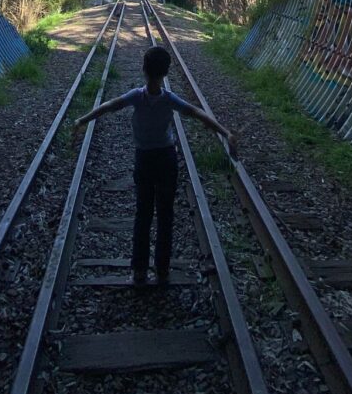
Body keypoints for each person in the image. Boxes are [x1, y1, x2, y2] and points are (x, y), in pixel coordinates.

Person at [73, 45, 238, 286]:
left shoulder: (136, 97)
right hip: (167, 159)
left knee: (143, 213)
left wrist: (82, 120)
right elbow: (196, 113)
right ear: (166, 72)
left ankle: (139, 271)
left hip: (144, 160)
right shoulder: (170, 99)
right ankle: (162, 270)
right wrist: (225, 132)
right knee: (165, 214)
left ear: (143, 70)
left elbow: (109, 106)